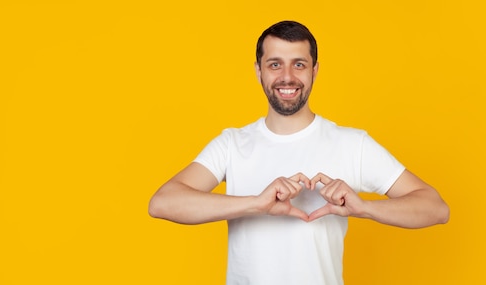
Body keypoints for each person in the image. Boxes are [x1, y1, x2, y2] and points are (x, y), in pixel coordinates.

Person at [148, 20, 450, 285]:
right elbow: (163, 203)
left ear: (315, 70)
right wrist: (256, 204)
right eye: (275, 64)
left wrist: (364, 208)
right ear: (259, 71)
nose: (287, 77)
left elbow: (436, 208)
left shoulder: (352, 144)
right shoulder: (232, 144)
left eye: (299, 64)